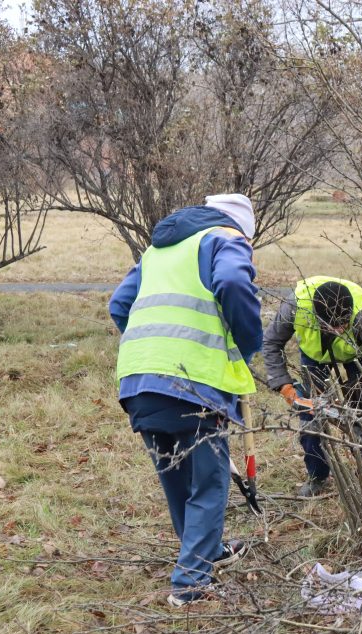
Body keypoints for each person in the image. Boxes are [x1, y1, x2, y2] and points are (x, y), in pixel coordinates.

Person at [109, 193, 263, 607]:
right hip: (193, 382)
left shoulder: (158, 250)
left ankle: (205, 552)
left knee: (176, 475)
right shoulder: (225, 238)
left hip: (139, 378)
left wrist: (154, 344)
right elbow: (232, 282)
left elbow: (119, 305)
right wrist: (247, 342)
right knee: (209, 483)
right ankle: (190, 583)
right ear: (241, 227)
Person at [262, 276, 362, 497]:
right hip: (314, 356)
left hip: (355, 356)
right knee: (311, 416)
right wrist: (283, 383)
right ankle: (317, 476)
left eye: (343, 324)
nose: (339, 330)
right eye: (333, 325)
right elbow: (271, 342)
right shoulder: (296, 306)